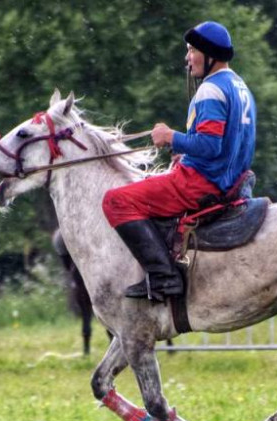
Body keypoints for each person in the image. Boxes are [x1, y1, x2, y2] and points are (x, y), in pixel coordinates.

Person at [102, 21, 256, 302]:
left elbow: (211, 145)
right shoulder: (239, 86)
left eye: (192, 50)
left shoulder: (211, 90)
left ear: (209, 54)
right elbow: (228, 145)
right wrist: (187, 151)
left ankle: (163, 277)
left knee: (116, 200)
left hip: (200, 183)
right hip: (228, 180)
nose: (187, 58)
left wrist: (171, 136)